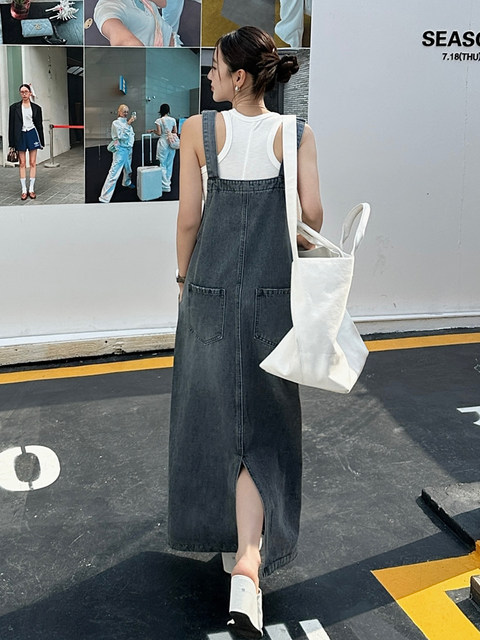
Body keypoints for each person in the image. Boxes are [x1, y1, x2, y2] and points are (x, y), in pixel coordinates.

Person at [168, 25, 323, 638]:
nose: (208, 75)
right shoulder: (297, 133)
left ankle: (238, 558)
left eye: (214, 67)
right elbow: (311, 218)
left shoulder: (197, 131)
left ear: (237, 78)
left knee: (211, 420)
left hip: (208, 294)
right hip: (272, 299)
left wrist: (184, 278)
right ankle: (249, 564)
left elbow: (189, 219)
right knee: (264, 425)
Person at [8, 84, 45, 201]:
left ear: (30, 93)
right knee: (22, 163)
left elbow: (39, 125)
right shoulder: (14, 108)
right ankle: (24, 190)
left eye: (26, 91)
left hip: (32, 134)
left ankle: (31, 189)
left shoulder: (36, 108)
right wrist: (11, 143)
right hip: (20, 135)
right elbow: (11, 126)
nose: (24, 94)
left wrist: (41, 141)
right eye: (22, 92)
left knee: (33, 162)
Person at [94, 0, 180, 46]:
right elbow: (124, 42)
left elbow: (163, 3)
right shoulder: (107, 8)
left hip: (173, 42)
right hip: (159, 60)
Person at [99, 105, 136, 203]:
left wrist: (130, 145)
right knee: (114, 172)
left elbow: (131, 135)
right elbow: (121, 136)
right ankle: (104, 197)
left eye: (127, 111)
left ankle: (127, 182)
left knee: (128, 169)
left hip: (128, 149)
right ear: (119, 112)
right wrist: (128, 124)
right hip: (120, 150)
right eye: (124, 111)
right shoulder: (116, 123)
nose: (126, 113)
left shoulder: (128, 125)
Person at [148, 103, 178, 192]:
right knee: (170, 164)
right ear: (168, 111)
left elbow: (159, 133)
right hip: (171, 142)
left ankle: (164, 185)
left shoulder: (159, 120)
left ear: (160, 111)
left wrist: (153, 130)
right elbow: (175, 131)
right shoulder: (173, 120)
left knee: (162, 164)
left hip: (163, 143)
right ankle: (168, 183)